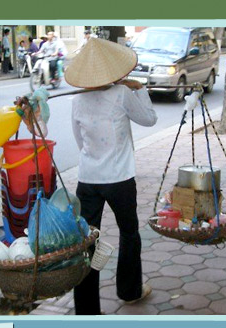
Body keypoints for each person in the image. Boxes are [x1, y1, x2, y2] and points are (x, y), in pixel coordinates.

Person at [65, 37, 157, 315]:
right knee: (129, 233)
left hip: (88, 180)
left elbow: (80, 141)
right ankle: (130, 291)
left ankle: (86, 309)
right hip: (119, 179)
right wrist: (140, 89)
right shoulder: (122, 94)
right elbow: (149, 119)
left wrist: (95, 160)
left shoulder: (78, 99)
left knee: (86, 242)